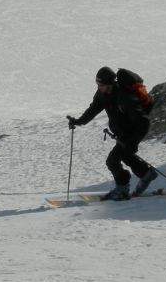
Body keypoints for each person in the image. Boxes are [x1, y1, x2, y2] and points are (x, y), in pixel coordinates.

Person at [67, 67, 157, 200]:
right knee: (125, 156)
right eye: (97, 84)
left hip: (131, 131)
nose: (99, 87)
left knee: (113, 160)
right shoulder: (102, 95)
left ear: (110, 83)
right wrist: (79, 121)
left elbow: (143, 122)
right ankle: (146, 174)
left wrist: (133, 142)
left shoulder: (125, 97)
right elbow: (93, 110)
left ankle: (122, 189)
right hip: (122, 131)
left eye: (101, 84)